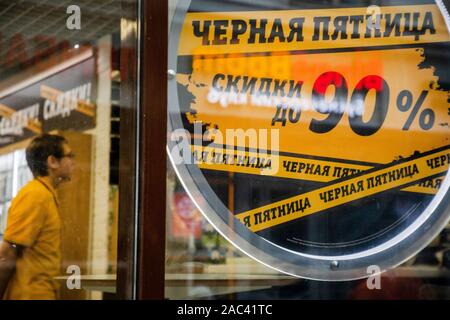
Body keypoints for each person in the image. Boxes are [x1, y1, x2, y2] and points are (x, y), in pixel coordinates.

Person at [0, 134, 75, 300]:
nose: (73, 162)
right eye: (69, 156)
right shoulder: (35, 195)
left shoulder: (46, 194)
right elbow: (8, 252)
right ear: (52, 162)